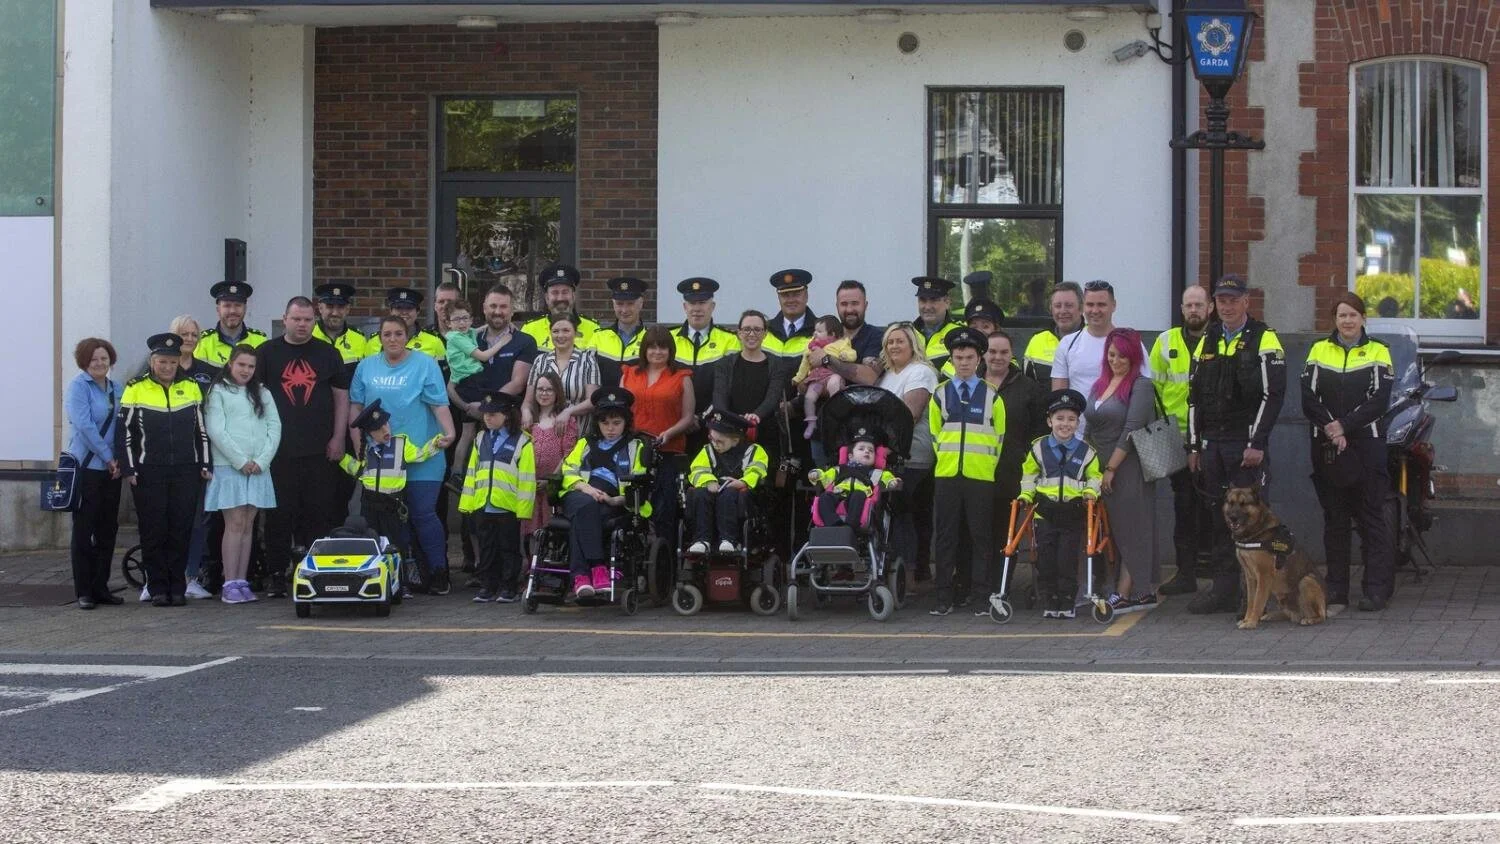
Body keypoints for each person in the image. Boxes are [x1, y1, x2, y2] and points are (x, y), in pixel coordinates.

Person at [1186, 274, 1287, 614]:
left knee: (1256, 522)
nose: (1227, 306)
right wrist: (1194, 446)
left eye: (1233, 299)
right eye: (1222, 300)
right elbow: (1194, 397)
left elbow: (1273, 395)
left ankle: (1259, 594)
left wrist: (1257, 441)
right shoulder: (1209, 338)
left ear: (1246, 301)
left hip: (1245, 445)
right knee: (1221, 519)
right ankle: (1224, 591)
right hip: (1213, 444)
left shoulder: (1264, 338)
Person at [1302, 292, 1395, 611]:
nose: (1347, 321)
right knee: (1335, 520)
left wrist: (1345, 426)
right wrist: (1331, 427)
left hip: (1366, 446)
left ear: (1363, 319)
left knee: (1371, 518)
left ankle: (1376, 590)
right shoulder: (1318, 350)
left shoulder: (1379, 351)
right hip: (1328, 446)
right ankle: (1337, 589)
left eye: (1353, 315)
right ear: (1334, 320)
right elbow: (1309, 398)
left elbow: (1379, 401)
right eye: (1342, 315)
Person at [350, 315, 457, 594]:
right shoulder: (366, 366)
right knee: (390, 520)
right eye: (387, 334)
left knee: (423, 514)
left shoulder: (425, 364)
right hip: (382, 458)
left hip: (423, 453)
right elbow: (356, 407)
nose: (393, 339)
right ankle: (399, 577)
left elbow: (439, 404)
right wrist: (357, 446)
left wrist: (450, 432)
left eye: (399, 334)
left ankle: (438, 572)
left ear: (407, 336)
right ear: (379, 338)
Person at [256, 296, 351, 597]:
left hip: (319, 450)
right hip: (278, 452)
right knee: (278, 515)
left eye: (308, 319)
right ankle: (276, 575)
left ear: (315, 320)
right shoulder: (266, 353)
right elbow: (253, 400)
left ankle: (315, 572)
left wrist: (338, 438)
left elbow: (341, 399)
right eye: (296, 319)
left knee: (317, 513)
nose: (302, 324)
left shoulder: (328, 353)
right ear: (284, 319)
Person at [118, 333, 212, 607]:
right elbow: (124, 432)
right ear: (152, 361)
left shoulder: (192, 387)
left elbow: (201, 431)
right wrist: (129, 468)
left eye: (172, 362)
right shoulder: (136, 387)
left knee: (180, 528)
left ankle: (177, 586)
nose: (167, 367)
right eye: (162, 361)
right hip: (149, 471)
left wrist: (204, 463)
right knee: (153, 530)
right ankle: (157, 586)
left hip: (186, 470)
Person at [926, 328, 1006, 617]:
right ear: (951, 358)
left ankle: (981, 595)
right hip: (947, 475)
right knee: (946, 537)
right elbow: (936, 436)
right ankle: (943, 598)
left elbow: (999, 438)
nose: (963, 363)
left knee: (980, 537)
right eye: (958, 357)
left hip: (980, 477)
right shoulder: (940, 394)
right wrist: (948, 462)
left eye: (969, 357)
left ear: (979, 359)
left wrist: (984, 466)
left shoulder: (992, 396)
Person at [1085, 328, 1160, 613]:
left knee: (1132, 529)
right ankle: (1115, 587)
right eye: (1111, 354)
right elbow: (1089, 425)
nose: (1115, 360)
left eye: (1122, 356)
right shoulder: (1099, 385)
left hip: (1128, 466)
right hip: (1099, 464)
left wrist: (1111, 468)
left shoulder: (1141, 385)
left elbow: (1131, 430)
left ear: (1134, 357)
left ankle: (1129, 591)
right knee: (1110, 530)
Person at [339, 398, 445, 597]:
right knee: (372, 542)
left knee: (397, 545)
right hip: (369, 503)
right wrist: (342, 460)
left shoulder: (400, 443)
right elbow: (358, 471)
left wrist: (436, 443)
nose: (385, 430)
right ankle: (373, 580)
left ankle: (401, 584)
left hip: (392, 504)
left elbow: (419, 455)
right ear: (369, 433)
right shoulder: (366, 449)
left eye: (386, 424)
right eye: (378, 429)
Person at [1151, 285, 1216, 596]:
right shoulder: (1165, 342)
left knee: (1214, 505)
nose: (1194, 310)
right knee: (1183, 506)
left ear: (1210, 308)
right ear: (1181, 308)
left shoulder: (1220, 340)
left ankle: (1218, 573)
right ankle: (1185, 574)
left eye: (1199, 304)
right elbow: (1152, 391)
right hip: (1174, 437)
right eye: (1189, 304)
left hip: (1211, 437)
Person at [203, 345, 281, 604]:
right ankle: (229, 582)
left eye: (251, 366)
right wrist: (240, 461)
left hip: (259, 468)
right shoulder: (219, 392)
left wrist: (261, 460)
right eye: (241, 365)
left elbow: (274, 426)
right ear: (230, 363)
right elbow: (216, 430)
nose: (246, 370)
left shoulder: (262, 392)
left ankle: (241, 580)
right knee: (234, 523)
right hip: (230, 467)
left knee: (249, 524)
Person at [557, 387, 651, 597]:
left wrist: (614, 500)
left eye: (616, 423)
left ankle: (581, 577)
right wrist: (587, 489)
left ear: (626, 423)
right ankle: (598, 568)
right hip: (579, 492)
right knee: (586, 506)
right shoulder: (585, 444)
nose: (610, 428)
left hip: (610, 501)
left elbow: (638, 479)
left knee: (581, 520)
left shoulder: (635, 447)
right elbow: (568, 471)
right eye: (605, 423)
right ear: (597, 423)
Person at [1017, 389, 1102, 619]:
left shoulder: (1087, 452)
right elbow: (1029, 475)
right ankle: (1049, 598)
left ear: (1078, 422)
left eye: (1071, 419)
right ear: (1049, 421)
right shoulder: (1038, 449)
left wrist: (1090, 491)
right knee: (1046, 559)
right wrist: (1026, 494)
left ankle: (1066, 599)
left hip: (1072, 513)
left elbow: (1094, 476)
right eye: (1060, 418)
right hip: (1045, 513)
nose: (1065, 424)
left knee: (1067, 559)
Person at [875, 322, 939, 585]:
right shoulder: (888, 375)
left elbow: (909, 415)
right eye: (890, 342)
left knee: (903, 513)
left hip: (913, 455)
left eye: (900, 341)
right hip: (885, 453)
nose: (894, 346)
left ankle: (909, 574)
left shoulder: (920, 372)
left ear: (913, 345)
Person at [458, 391, 536, 604]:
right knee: (486, 547)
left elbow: (527, 479)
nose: (488, 418)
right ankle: (488, 586)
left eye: (493, 414)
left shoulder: (523, 441)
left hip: (507, 505)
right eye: (486, 414)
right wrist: (468, 503)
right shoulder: (480, 438)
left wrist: (523, 509)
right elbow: (472, 472)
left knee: (509, 548)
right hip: (483, 504)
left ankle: (508, 586)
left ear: (507, 415)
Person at [622, 326, 696, 550]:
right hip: (634, 451)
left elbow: (688, 417)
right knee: (632, 506)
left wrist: (669, 433)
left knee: (664, 509)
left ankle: (665, 561)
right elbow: (620, 411)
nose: (657, 352)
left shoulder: (682, 377)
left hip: (668, 450)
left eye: (662, 347)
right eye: (652, 347)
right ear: (644, 349)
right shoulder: (629, 374)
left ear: (670, 350)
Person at [66, 338, 124, 610]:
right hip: (88, 467)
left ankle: (101, 587)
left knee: (107, 530)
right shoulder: (78, 387)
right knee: (84, 531)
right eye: (93, 360)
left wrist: (120, 459)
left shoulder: (116, 388)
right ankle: (84, 591)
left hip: (111, 470)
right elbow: (85, 427)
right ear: (84, 362)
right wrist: (108, 457)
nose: (100, 364)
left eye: (104, 358)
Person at [1050, 280, 1149, 435]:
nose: (1095, 310)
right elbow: (1058, 398)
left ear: (1114, 306)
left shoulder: (1132, 344)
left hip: (1118, 440)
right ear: (1083, 306)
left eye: (1101, 305)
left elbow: (1142, 396)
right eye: (1090, 304)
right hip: (1075, 438)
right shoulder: (1067, 344)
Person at [445, 301, 516, 490]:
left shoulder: (465, 333)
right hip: (470, 384)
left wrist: (497, 326)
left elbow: (474, 331)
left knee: (470, 432)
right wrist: (503, 341)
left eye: (465, 318)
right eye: (457, 319)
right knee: (484, 426)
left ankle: (463, 473)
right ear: (448, 323)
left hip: (470, 381)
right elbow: (483, 357)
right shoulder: (455, 337)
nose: (462, 323)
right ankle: (459, 474)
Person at [986, 330, 1045, 545]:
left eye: (1004, 352)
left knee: (1005, 531)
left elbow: (1038, 431)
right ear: (983, 353)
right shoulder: (970, 384)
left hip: (1010, 470)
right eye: (992, 351)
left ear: (1012, 354)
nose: (997, 357)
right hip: (975, 471)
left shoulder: (1029, 388)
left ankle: (1002, 577)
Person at [685, 410, 769, 554]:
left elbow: (757, 470)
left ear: (735, 440)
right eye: (712, 439)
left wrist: (743, 482)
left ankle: (729, 539)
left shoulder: (753, 451)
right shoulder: (708, 450)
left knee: (729, 494)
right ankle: (702, 539)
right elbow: (697, 470)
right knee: (699, 494)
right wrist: (709, 481)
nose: (715, 444)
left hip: (738, 492)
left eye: (720, 441)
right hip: (712, 488)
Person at [670, 277, 740, 428]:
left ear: (712, 306)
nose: (697, 309)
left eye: (702, 303)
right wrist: (684, 419)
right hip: (674, 422)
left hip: (714, 423)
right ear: (684, 307)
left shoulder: (730, 340)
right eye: (692, 303)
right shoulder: (669, 338)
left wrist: (702, 417)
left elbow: (728, 386)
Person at [522, 371, 580, 542]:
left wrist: (551, 480)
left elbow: (569, 455)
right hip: (529, 485)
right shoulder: (528, 420)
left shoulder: (565, 421)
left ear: (557, 393)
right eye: (540, 389)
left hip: (553, 487)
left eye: (549, 390)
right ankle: (530, 565)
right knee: (528, 531)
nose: (544, 393)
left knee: (551, 531)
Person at [808, 430, 901, 531]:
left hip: (861, 496)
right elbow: (825, 478)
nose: (867, 451)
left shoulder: (875, 472)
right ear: (850, 456)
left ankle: (850, 526)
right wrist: (816, 474)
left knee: (858, 495)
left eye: (871, 450)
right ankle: (833, 524)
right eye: (861, 449)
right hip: (839, 494)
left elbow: (887, 477)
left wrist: (892, 482)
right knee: (824, 497)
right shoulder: (838, 469)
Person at [523, 316, 600, 430]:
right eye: (555, 331)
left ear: (575, 333)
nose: (560, 336)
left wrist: (568, 412)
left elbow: (592, 400)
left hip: (578, 431)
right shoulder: (540, 360)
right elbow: (528, 401)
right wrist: (526, 412)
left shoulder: (588, 361)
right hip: (545, 431)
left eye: (566, 331)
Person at [793, 316, 855, 439]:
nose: (815, 333)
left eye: (820, 331)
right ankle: (811, 422)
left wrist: (845, 356)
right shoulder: (811, 347)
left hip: (832, 375)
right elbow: (804, 365)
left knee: (834, 383)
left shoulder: (841, 344)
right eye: (815, 330)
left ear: (832, 334)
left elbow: (852, 354)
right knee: (810, 397)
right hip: (817, 380)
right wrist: (798, 378)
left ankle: (837, 412)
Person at [521, 263, 601, 352]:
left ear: (573, 296)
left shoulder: (593, 329)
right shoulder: (529, 330)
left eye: (565, 292)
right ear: (547, 298)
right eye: (555, 292)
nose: (560, 298)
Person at [820, 280, 885, 386]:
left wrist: (827, 359)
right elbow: (804, 384)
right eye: (844, 304)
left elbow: (869, 377)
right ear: (837, 306)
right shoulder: (825, 335)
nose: (849, 309)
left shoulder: (877, 336)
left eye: (855, 303)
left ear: (865, 305)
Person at [365, 287, 447, 364]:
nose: (404, 312)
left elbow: (442, 374)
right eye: (399, 308)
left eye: (409, 308)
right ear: (390, 310)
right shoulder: (374, 342)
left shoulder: (434, 341)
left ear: (417, 311)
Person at [195, 281, 267, 367]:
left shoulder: (260, 340)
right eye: (227, 305)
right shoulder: (203, 342)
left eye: (238, 305)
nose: (232, 311)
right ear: (218, 309)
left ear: (245, 308)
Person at [1023, 281, 1083, 383]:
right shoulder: (1037, 341)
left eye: (1069, 305)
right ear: (1051, 309)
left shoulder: (1093, 338)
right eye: (1058, 306)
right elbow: (1027, 387)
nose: (1063, 311)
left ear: (1081, 308)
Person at [593, 276, 647, 387]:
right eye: (619, 304)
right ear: (613, 304)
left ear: (641, 303)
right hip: (603, 403)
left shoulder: (650, 338)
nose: (624, 310)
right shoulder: (598, 337)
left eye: (630, 303)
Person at [940, 299, 1006, 379]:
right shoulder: (955, 358)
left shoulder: (1005, 360)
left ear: (996, 330)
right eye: (974, 326)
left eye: (985, 326)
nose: (979, 331)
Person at [764, 269, 817, 366]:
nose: (791, 300)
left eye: (796, 294)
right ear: (778, 298)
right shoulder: (765, 331)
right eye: (785, 295)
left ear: (806, 295)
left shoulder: (821, 331)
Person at [312, 283, 366, 377]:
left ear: (348, 309)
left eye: (340, 307)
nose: (335, 313)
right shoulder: (309, 335)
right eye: (330, 306)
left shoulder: (359, 339)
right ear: (320, 308)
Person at [910, 276, 961, 373]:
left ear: (947, 302)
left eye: (934, 300)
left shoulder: (958, 334)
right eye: (923, 300)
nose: (927, 307)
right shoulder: (907, 333)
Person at [170, 315, 219, 390]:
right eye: (184, 334)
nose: (190, 339)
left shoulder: (210, 371)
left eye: (194, 335)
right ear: (173, 336)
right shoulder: (161, 369)